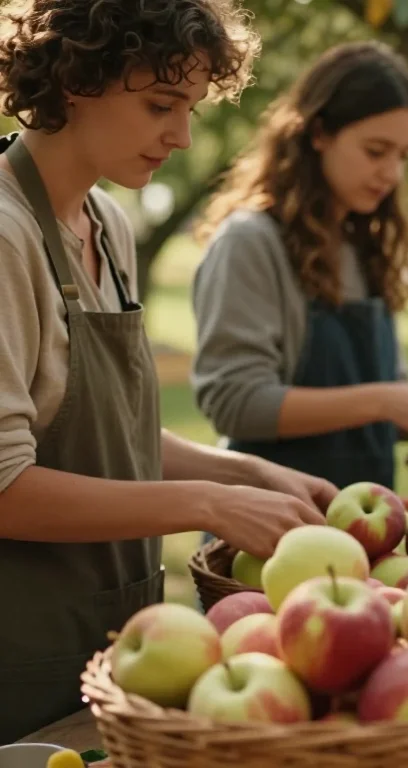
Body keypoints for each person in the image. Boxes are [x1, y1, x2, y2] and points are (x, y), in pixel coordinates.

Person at [0, 0, 342, 741]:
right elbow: (5, 488)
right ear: (75, 79)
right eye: (162, 104)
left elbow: (110, 436)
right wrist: (206, 506)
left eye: (189, 108)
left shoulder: (107, 225)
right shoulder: (6, 238)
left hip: (117, 649)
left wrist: (244, 475)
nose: (183, 137)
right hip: (16, 664)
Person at [189, 41, 408, 492]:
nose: (393, 174)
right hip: (269, 532)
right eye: (376, 150)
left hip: (364, 533)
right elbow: (234, 401)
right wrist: (384, 401)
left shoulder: (365, 246)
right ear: (318, 133)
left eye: (404, 155)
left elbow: (383, 396)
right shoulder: (250, 242)